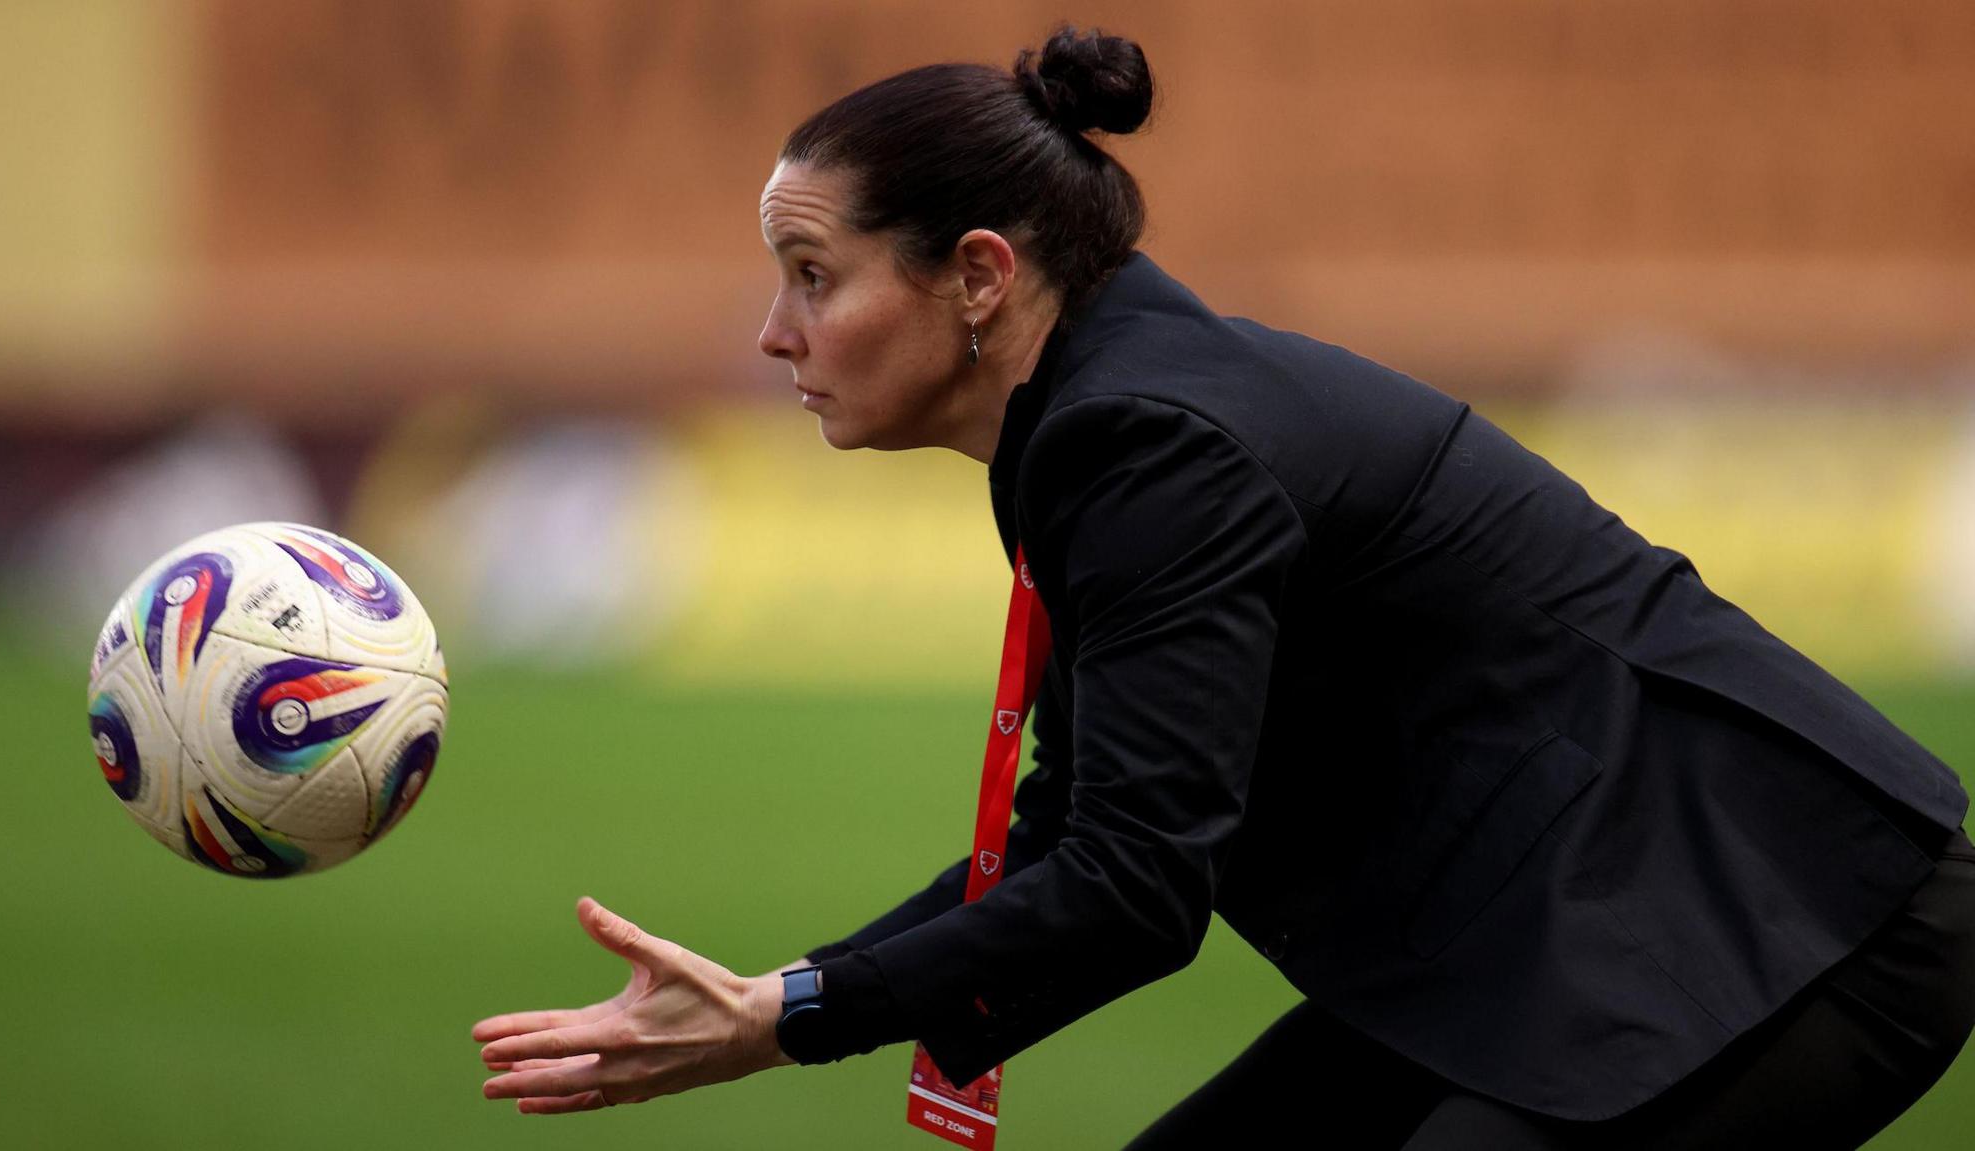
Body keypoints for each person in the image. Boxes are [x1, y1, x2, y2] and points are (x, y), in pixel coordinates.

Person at [471, 27, 1975, 1147]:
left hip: (1781, 918)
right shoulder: (1114, 410)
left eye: (811, 274)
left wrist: (792, 1021)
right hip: (1585, 933)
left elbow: (1133, 890)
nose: (773, 334)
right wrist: (787, 995)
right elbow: (1082, 824)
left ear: (980, 276)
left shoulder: (1146, 441)